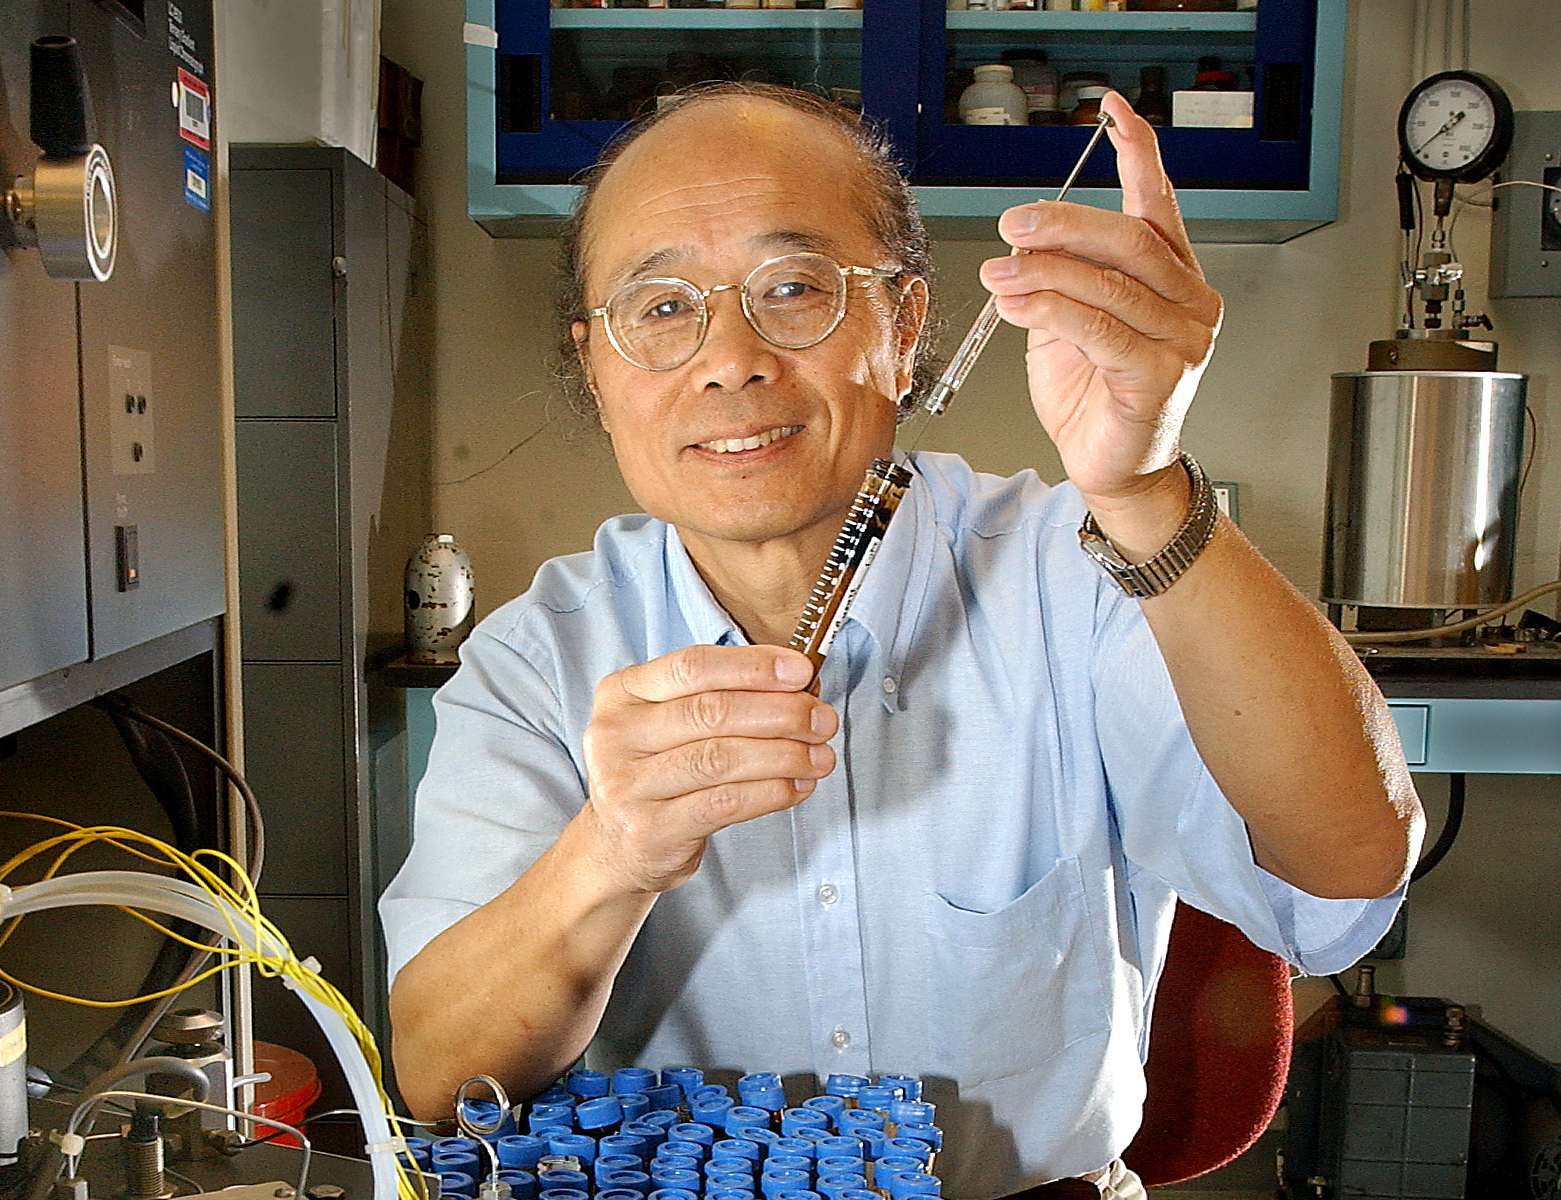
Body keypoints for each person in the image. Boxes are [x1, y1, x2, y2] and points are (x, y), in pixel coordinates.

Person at [379, 82, 1421, 1197]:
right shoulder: (541, 658)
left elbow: (1344, 885)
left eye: (792, 289)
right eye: (663, 307)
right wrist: (612, 853)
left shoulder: (1074, 576)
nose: (728, 359)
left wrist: (1147, 489)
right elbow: (441, 1079)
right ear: (596, 364)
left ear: (906, 329)